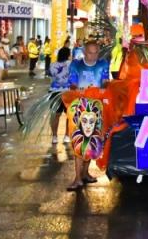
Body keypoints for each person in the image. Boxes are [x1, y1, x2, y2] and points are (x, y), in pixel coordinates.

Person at [66, 40, 110, 191]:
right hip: (80, 108)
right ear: (84, 52)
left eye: (96, 52)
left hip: (96, 108)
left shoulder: (103, 64)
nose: (93, 56)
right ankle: (77, 178)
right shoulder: (76, 65)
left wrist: (103, 89)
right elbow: (72, 83)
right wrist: (77, 91)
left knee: (93, 142)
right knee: (79, 143)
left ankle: (85, 173)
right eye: (90, 52)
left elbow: (105, 82)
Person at [49, 47, 72, 144]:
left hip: (55, 92)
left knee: (55, 115)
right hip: (68, 92)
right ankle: (67, 135)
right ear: (68, 55)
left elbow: (52, 76)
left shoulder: (52, 65)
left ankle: (54, 136)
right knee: (69, 115)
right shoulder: (71, 64)